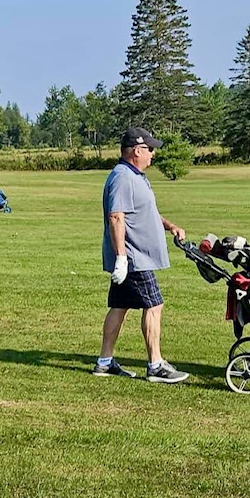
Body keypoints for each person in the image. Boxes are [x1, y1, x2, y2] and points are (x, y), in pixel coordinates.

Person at [93, 127, 189, 383]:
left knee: (119, 306)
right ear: (136, 150)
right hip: (135, 258)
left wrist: (169, 226)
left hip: (132, 258)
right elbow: (116, 217)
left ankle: (104, 362)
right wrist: (122, 258)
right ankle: (155, 365)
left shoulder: (135, 176)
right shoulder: (123, 177)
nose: (153, 154)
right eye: (150, 149)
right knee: (154, 305)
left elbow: (144, 212)